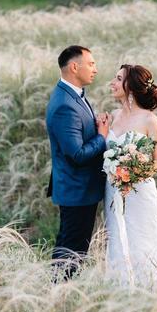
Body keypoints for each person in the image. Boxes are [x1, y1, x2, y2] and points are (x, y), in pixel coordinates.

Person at [104, 64, 157, 289]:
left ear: (130, 86)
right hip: (112, 189)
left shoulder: (149, 120)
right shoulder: (115, 116)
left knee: (144, 235)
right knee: (118, 235)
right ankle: (122, 287)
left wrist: (133, 174)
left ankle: (155, 285)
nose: (112, 82)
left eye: (118, 79)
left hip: (139, 190)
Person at [46, 45, 110, 280]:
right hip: (76, 190)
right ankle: (59, 293)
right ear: (75, 67)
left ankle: (60, 292)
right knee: (72, 250)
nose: (95, 69)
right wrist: (102, 136)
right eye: (91, 64)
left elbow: (77, 134)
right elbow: (78, 154)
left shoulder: (73, 95)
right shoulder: (65, 104)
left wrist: (94, 125)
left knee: (73, 247)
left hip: (79, 189)